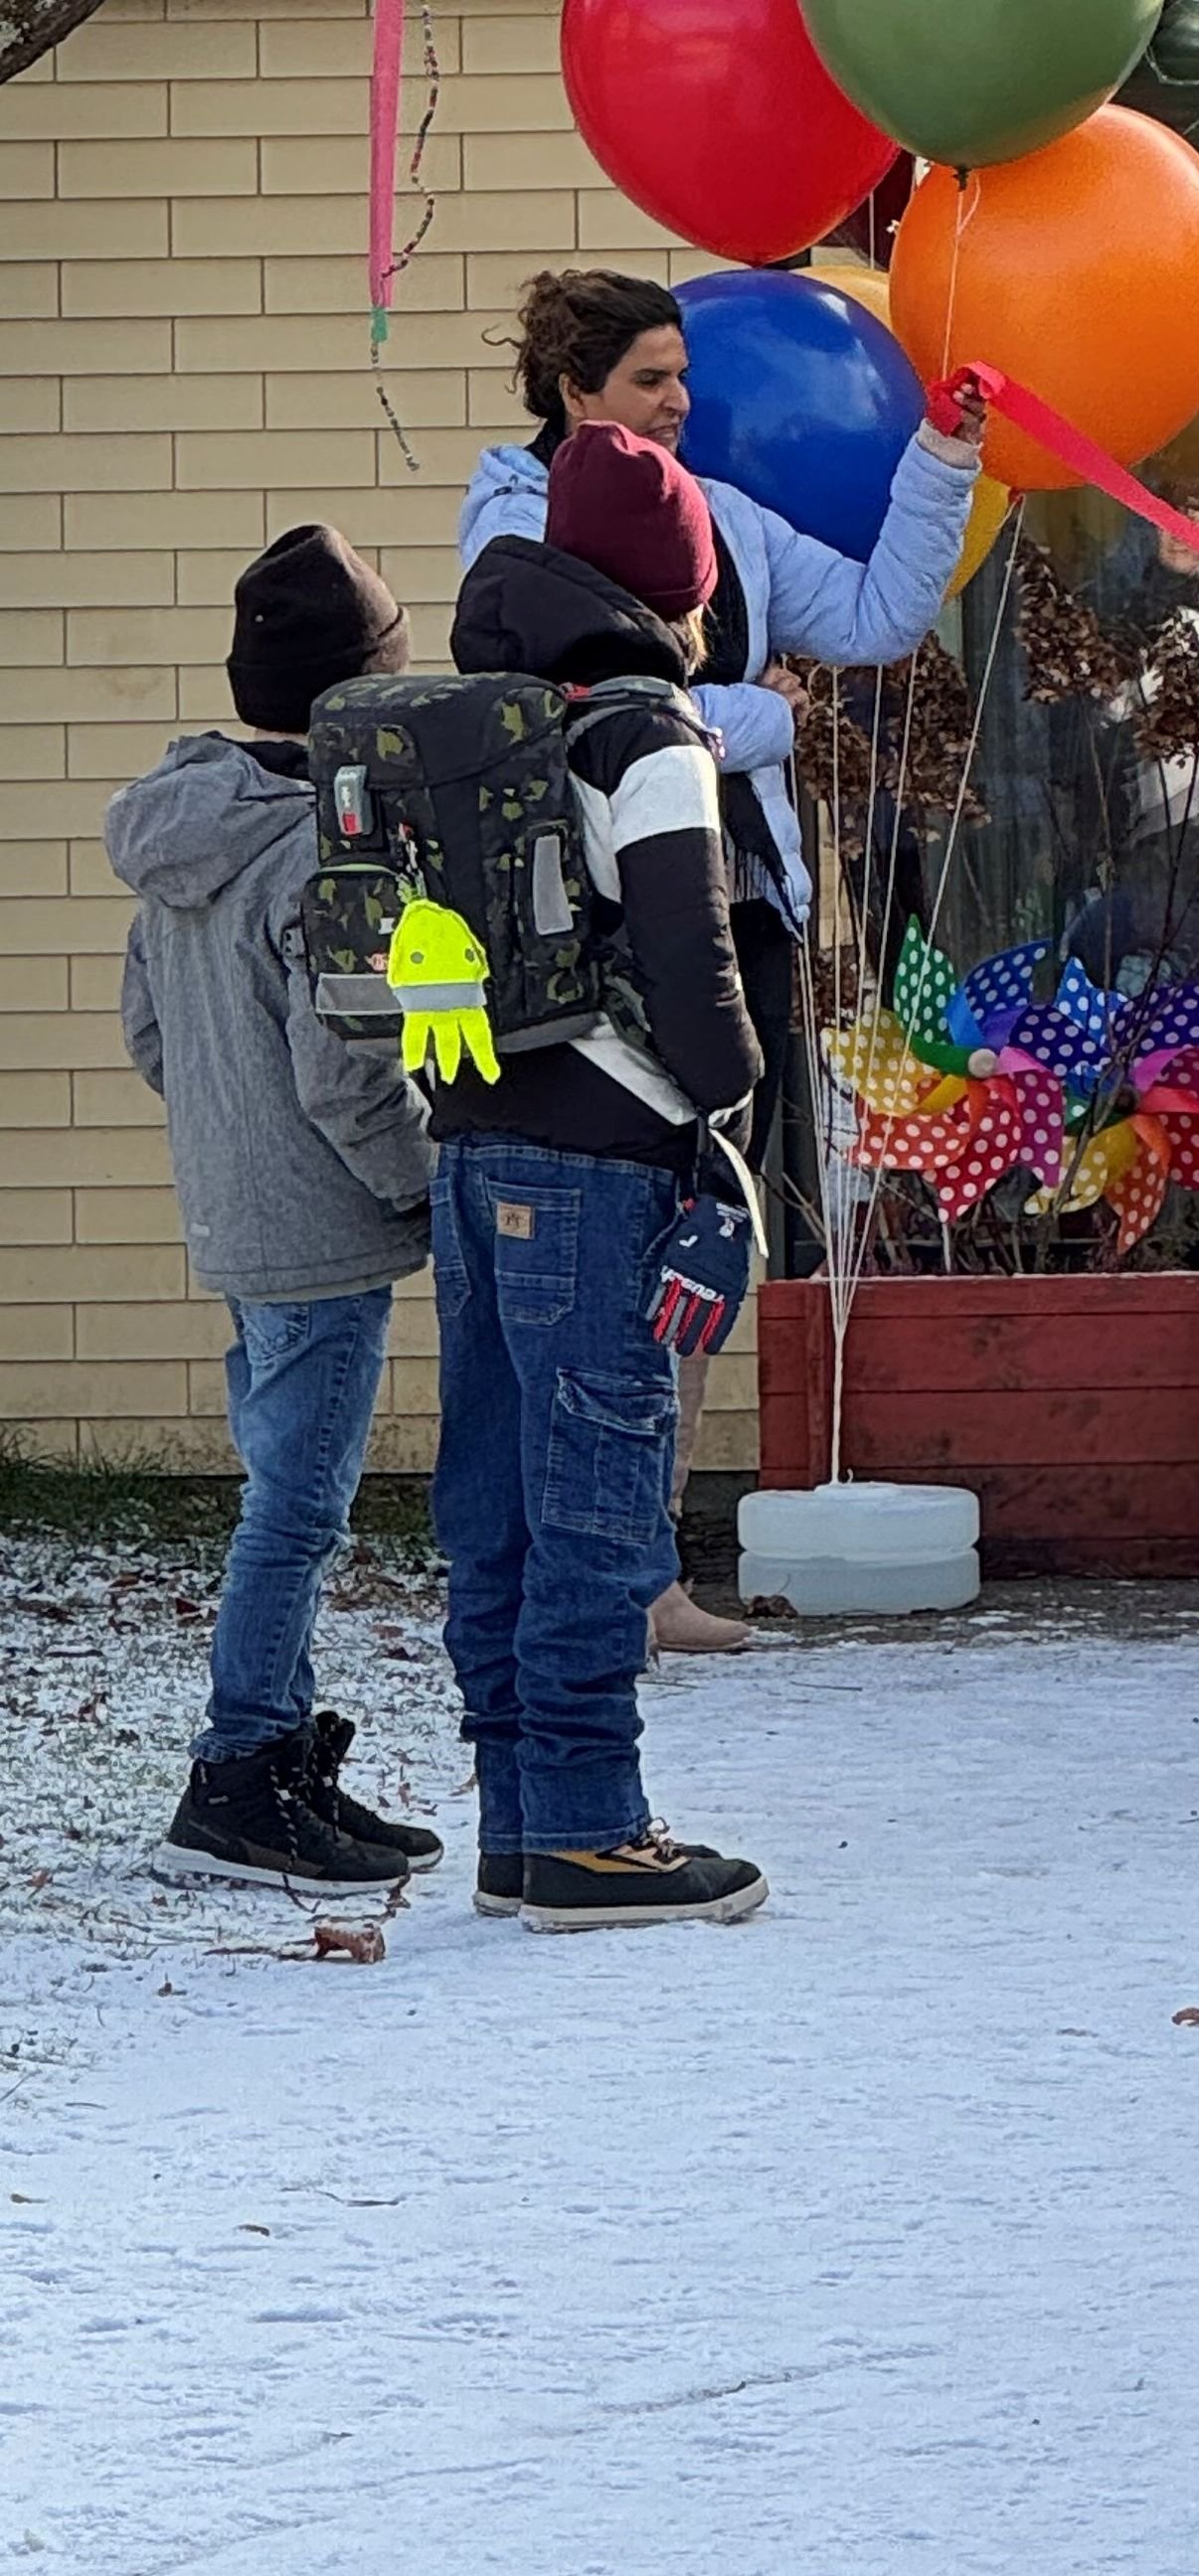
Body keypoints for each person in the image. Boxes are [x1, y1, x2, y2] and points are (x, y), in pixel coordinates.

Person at [462, 268, 987, 1655]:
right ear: (573, 393)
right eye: (649, 381)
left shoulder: (724, 513)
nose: (682, 404)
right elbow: (564, 711)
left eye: (684, 377)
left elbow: (876, 621)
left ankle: (644, 1565)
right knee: (614, 1251)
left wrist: (944, 457)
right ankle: (597, 1571)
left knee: (703, 1243)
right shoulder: (517, 523)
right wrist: (754, 718)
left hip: (737, 904)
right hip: (603, 927)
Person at [432, 423, 768, 1929]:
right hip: (603, 1158)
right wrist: (733, 1095)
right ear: (683, 587)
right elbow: (692, 970)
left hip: (474, 1145)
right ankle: (588, 1824)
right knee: (597, 1492)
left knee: (497, 1491)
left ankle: (515, 1818)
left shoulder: (493, 714)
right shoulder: (650, 737)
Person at [111, 528, 446, 1893]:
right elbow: (348, 1070)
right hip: (315, 1231)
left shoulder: (182, 830)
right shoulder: (325, 854)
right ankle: (240, 1774)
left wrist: (229, 1127)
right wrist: (429, 1197)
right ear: (353, 694)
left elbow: (150, 1033)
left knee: (282, 1495)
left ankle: (283, 1754)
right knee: (296, 1513)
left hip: (235, 1214)